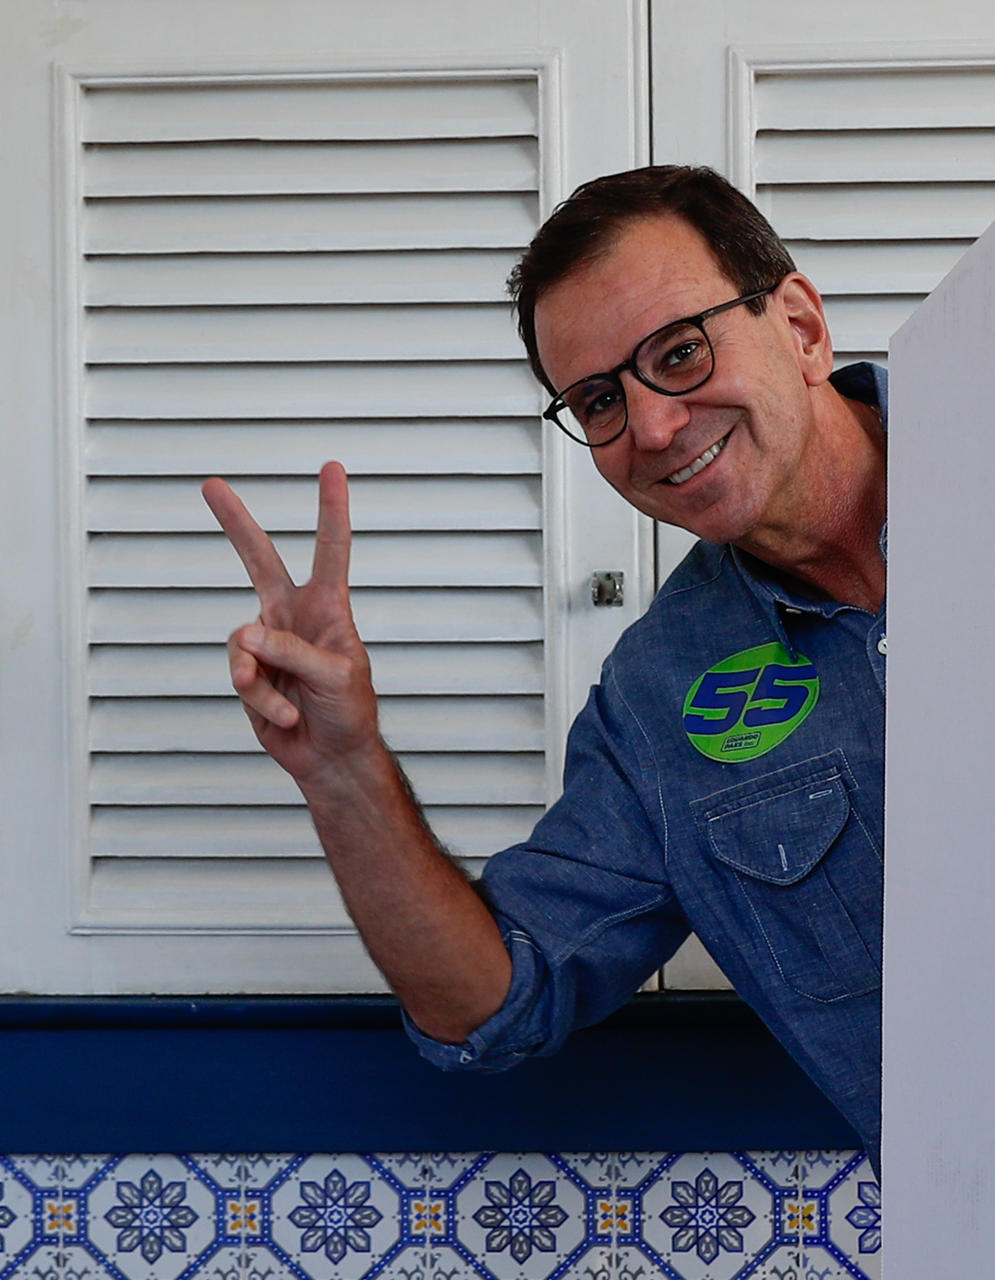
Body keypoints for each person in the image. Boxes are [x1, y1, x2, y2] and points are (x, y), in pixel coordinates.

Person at [201, 167, 890, 1165]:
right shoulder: (662, 698)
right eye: (600, 398)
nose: (652, 428)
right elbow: (494, 1003)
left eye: (682, 351)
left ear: (800, 326)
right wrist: (341, 768)